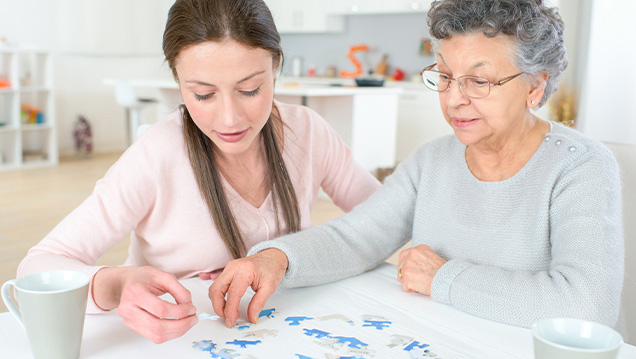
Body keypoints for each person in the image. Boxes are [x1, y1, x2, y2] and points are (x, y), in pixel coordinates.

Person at [210, 0, 624, 330]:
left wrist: (444, 279)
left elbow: (587, 306)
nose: (453, 99)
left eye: (478, 81)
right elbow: (355, 238)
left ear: (535, 86)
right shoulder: (432, 160)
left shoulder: (580, 166)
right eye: (444, 76)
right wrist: (275, 259)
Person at [16, 0, 380, 344]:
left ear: (276, 67)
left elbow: (386, 219)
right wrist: (116, 284)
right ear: (177, 80)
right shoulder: (157, 154)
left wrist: (281, 256)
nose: (229, 119)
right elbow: (36, 268)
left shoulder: (307, 131)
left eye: (250, 89)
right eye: (203, 95)